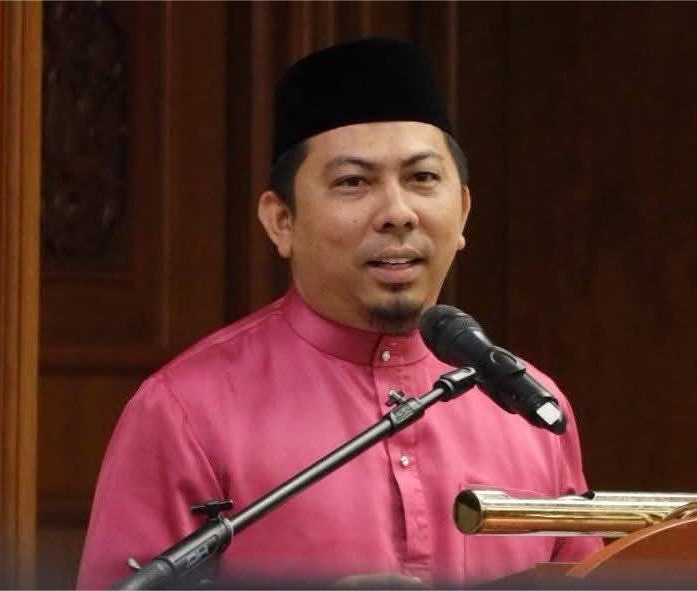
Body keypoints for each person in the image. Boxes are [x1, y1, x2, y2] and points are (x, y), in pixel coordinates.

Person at [77, 38, 601, 590]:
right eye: (354, 182)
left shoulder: (528, 406)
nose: (397, 213)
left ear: (464, 210)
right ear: (281, 221)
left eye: (422, 179)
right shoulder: (186, 412)